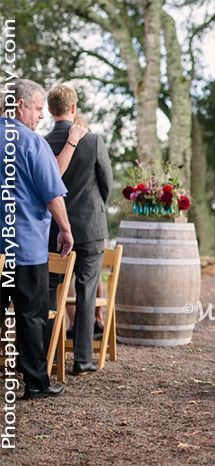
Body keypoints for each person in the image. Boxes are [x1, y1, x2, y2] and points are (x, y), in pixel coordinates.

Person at [0, 79, 74, 399]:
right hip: (26, 246)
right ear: (20, 106)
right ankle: (35, 383)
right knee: (31, 316)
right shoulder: (32, 143)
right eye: (38, 108)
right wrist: (66, 229)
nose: (41, 115)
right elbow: (52, 192)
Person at [44, 84, 113, 375]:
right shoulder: (93, 140)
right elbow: (106, 183)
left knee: (49, 290)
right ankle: (83, 360)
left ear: (49, 110)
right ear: (74, 108)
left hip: (53, 228)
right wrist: (96, 208)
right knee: (86, 291)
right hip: (90, 227)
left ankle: (48, 356)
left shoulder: (42, 142)